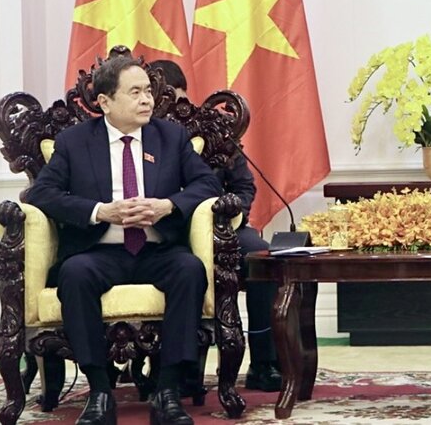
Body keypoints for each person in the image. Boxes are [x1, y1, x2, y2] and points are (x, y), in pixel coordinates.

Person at [28, 56, 222, 425]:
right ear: (105, 102)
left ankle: (167, 391)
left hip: (157, 248)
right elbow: (41, 194)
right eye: (135, 92)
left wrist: (168, 206)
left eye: (148, 91)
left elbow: (207, 184)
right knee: (75, 274)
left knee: (189, 270)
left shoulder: (171, 136)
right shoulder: (73, 141)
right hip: (100, 249)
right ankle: (100, 392)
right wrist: (100, 211)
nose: (147, 100)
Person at [148, 60, 282, 392]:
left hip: (223, 229)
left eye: (173, 98)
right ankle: (181, 368)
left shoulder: (212, 128)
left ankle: (265, 362)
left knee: (262, 256)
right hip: (165, 232)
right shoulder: (142, 133)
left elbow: (244, 187)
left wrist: (228, 216)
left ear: (184, 94)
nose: (168, 109)